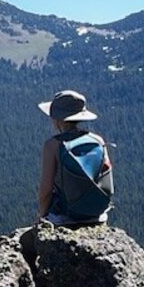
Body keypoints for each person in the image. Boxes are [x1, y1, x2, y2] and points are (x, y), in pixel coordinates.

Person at [35, 90, 111, 226]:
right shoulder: (98, 140)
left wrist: (42, 216)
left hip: (66, 215)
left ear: (58, 119)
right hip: (97, 214)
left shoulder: (53, 145)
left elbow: (45, 191)